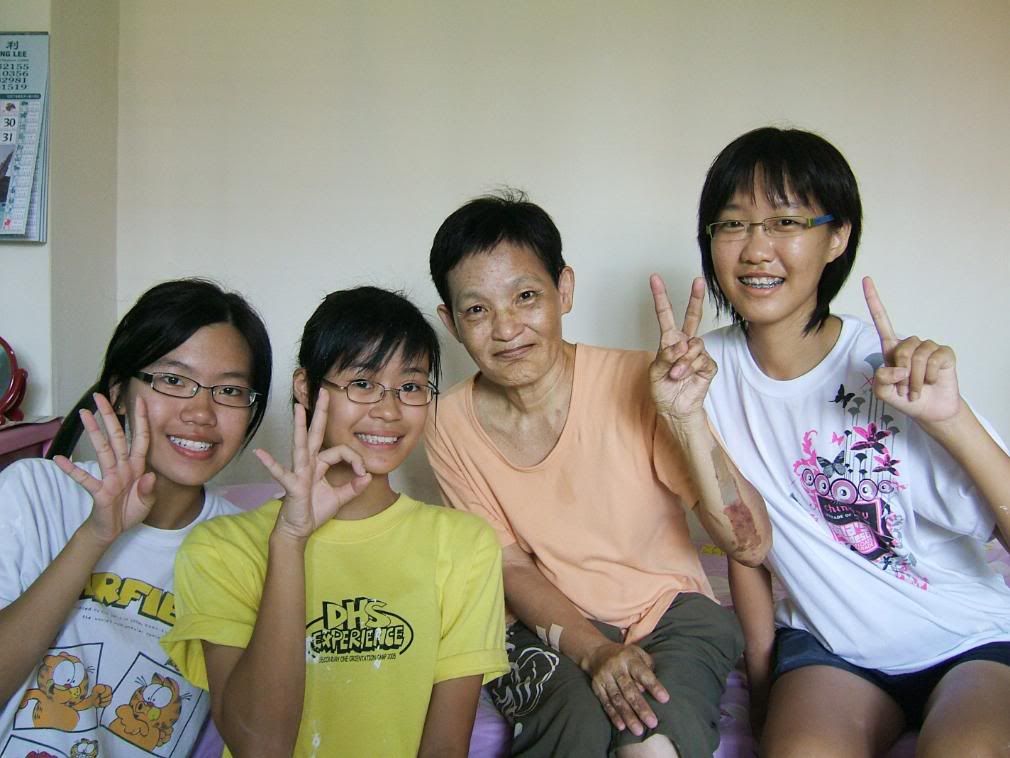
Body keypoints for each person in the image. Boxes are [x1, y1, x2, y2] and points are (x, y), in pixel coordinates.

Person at [693, 126, 1010, 756]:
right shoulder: (700, 375)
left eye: (785, 221)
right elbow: (743, 546)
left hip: (969, 637)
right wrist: (763, 683)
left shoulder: (892, 368)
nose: (756, 249)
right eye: (733, 224)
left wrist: (951, 419)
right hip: (831, 650)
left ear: (837, 237)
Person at [425, 191, 771, 758]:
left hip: (671, 612)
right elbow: (509, 564)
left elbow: (750, 546)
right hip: (541, 623)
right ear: (451, 323)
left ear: (564, 289)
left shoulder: (641, 380)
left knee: (650, 744)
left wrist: (687, 419)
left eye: (526, 297)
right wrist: (592, 650)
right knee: (575, 729)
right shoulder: (446, 423)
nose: (506, 328)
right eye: (477, 310)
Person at [163, 286, 508, 757]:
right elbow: (259, 746)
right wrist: (289, 540)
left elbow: (446, 747)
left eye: (410, 387)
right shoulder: (222, 548)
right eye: (362, 383)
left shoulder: (464, 544)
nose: (389, 410)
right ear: (305, 388)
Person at [0, 278, 273, 757]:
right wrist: (95, 536)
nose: (201, 412)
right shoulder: (37, 492)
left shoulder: (245, 546)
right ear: (118, 392)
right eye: (173, 380)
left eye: (230, 390)